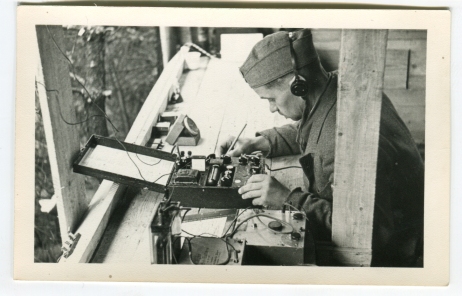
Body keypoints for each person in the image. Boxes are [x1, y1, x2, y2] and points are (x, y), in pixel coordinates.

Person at [218, 29, 424, 267]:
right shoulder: (338, 88)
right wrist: (262, 142)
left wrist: (287, 198)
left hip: (396, 251)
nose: (272, 109)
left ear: (298, 86)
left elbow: (366, 232)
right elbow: (313, 127)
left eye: (271, 99)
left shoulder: (347, 145)